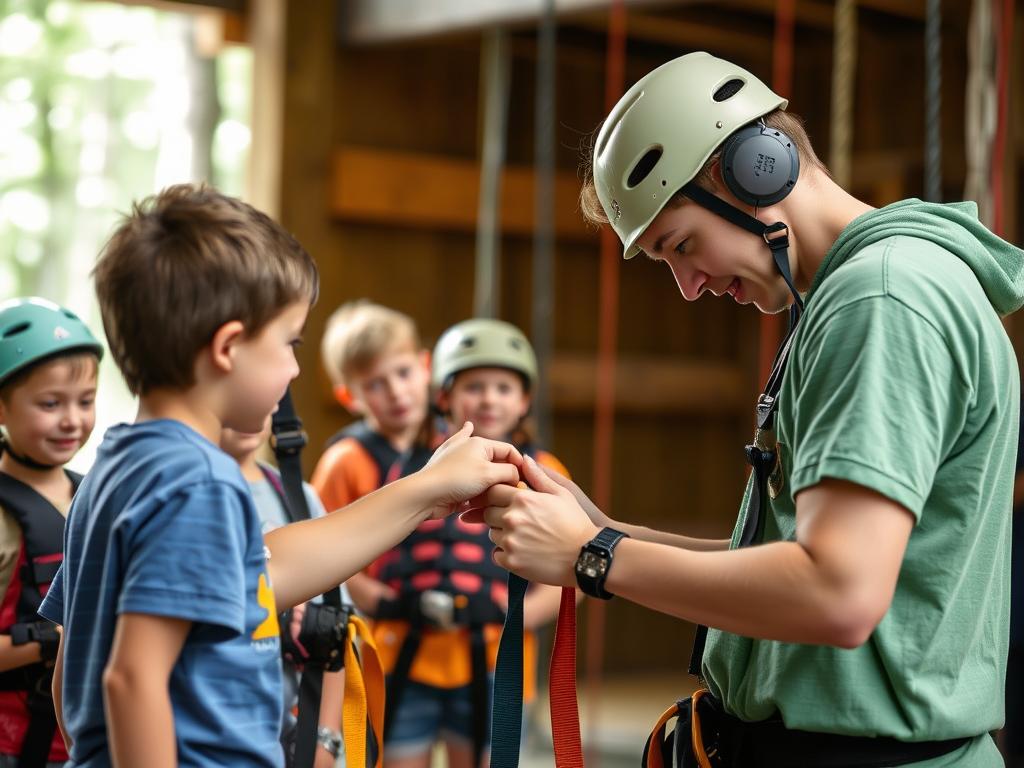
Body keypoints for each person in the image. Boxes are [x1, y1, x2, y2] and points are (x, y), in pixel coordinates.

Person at [470, 51, 1022, 766]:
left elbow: (836, 592)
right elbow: (792, 563)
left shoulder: (880, 300)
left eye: (683, 246)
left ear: (761, 170)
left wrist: (593, 557)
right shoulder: (871, 291)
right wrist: (604, 528)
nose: (690, 287)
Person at [37, 183, 523, 768]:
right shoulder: (202, 484)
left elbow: (77, 680)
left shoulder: (110, 472)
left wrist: (426, 486)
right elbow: (131, 679)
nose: (295, 367)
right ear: (229, 348)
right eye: (290, 343)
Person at [373, 318, 567, 768]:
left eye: (503, 387)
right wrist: (390, 605)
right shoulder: (412, 467)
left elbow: (562, 579)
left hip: (495, 665)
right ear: (444, 397)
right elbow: (364, 563)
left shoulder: (545, 472)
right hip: (406, 657)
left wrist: (507, 615)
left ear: (525, 400)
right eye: (474, 386)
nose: (488, 398)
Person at [0, 299, 101, 768]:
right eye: (50, 403)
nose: (72, 420)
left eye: (85, 401)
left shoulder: (94, 494)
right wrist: (53, 637)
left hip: (83, 745)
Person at [221, 417, 354, 768]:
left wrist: (324, 738)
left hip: (299, 735)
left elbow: (335, 629)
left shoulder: (298, 496)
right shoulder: (189, 495)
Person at [310, 301, 434, 619]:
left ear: (425, 366)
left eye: (404, 373)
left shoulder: (453, 445)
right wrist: (383, 602)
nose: (396, 392)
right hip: (384, 629)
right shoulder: (344, 462)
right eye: (375, 384)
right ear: (349, 397)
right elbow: (321, 553)